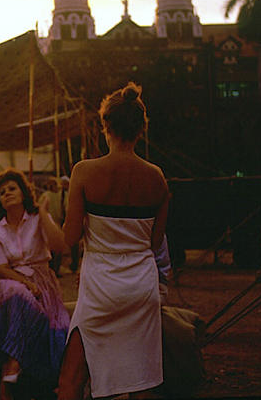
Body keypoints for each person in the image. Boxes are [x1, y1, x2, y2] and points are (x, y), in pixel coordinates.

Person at [57, 82, 169, 400]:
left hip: (100, 286)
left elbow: (70, 238)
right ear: (141, 130)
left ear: (105, 125)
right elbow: (155, 241)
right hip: (141, 286)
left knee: (71, 379)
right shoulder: (156, 177)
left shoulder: (84, 172)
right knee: (140, 380)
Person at [0, 168, 69, 400]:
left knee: (55, 324)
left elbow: (59, 246)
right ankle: (14, 366)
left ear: (23, 192)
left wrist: (43, 213)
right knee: (17, 294)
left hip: (43, 279)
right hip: (9, 280)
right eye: (2, 192)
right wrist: (26, 283)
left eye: (12, 188)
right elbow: (1, 268)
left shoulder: (37, 219)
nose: (7, 194)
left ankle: (11, 369)